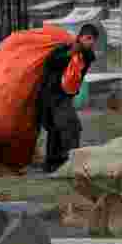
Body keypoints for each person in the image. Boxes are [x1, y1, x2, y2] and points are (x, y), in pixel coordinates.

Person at [36, 24, 98, 173]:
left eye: (93, 40)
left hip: (62, 95)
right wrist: (70, 53)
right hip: (52, 94)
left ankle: (54, 163)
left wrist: (78, 52)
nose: (90, 42)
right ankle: (70, 163)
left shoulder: (87, 55)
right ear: (80, 37)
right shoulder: (65, 48)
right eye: (87, 38)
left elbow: (80, 69)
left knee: (58, 128)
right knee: (69, 126)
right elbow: (52, 62)